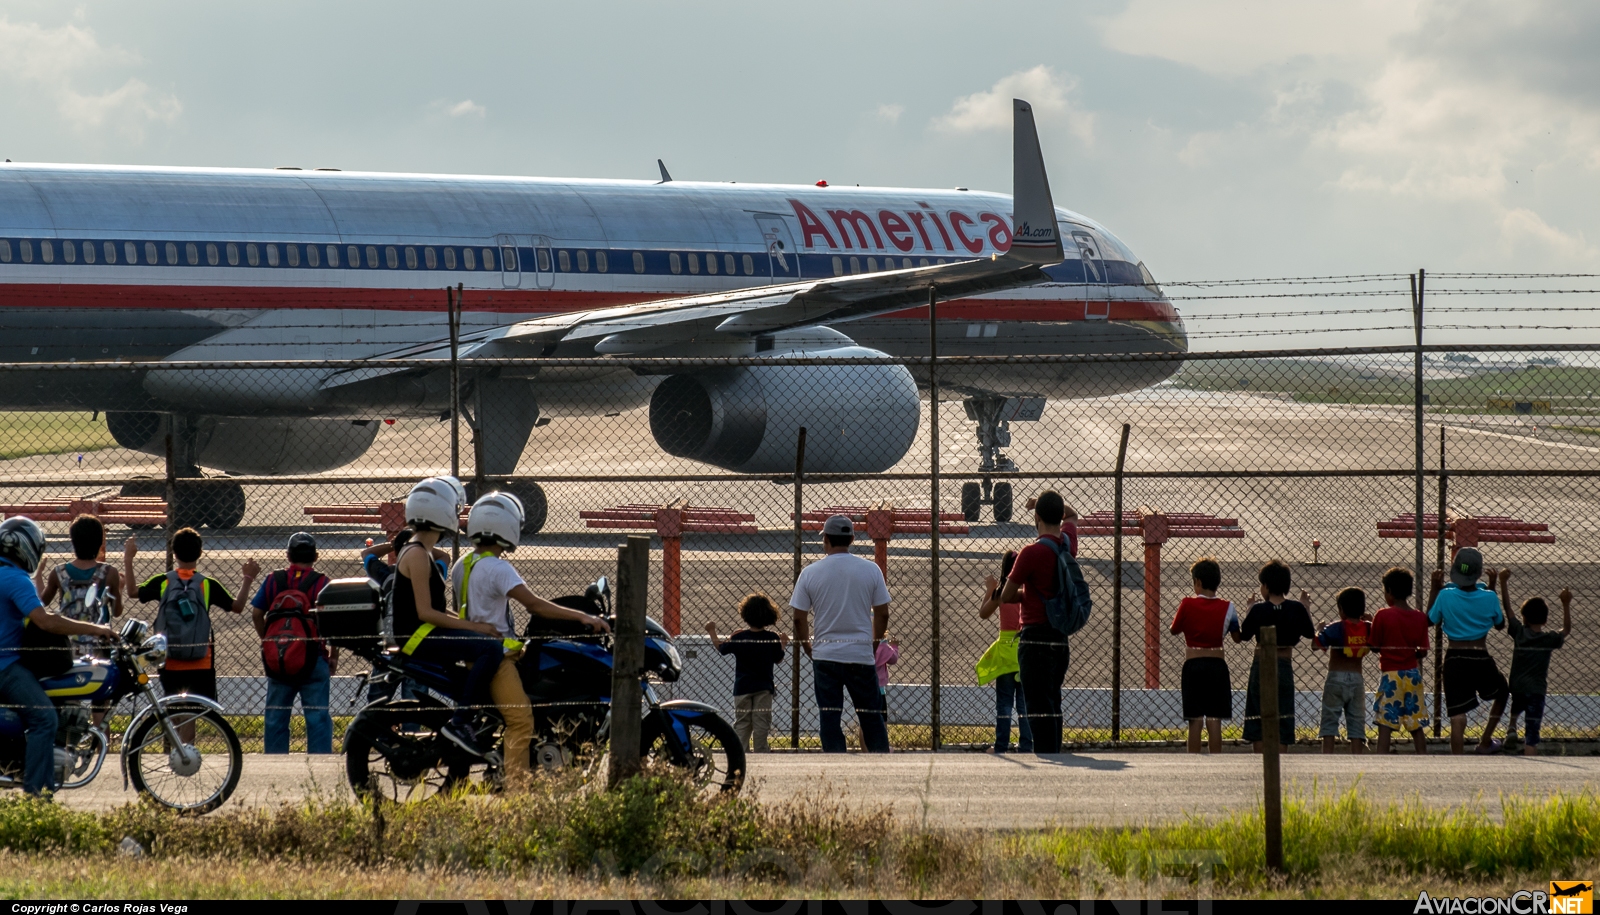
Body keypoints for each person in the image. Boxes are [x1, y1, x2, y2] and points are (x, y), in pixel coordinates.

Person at [453, 492, 608, 787]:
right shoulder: (498, 568)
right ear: (505, 527)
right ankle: (517, 794)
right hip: (498, 659)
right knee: (521, 722)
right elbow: (534, 605)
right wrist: (582, 617)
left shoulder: (464, 564)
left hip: (486, 651)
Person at [0, 517, 116, 796]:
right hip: (5, 666)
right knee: (45, 719)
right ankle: (38, 794)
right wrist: (97, 629)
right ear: (24, 547)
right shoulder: (15, 578)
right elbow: (47, 621)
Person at [394, 476, 506, 758]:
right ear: (442, 513)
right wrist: (475, 627)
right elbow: (426, 613)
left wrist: (476, 626)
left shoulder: (421, 551)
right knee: (489, 648)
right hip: (417, 637)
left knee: (483, 649)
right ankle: (460, 722)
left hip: (422, 633)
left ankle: (475, 721)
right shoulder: (418, 555)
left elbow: (437, 610)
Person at [789, 514, 891, 753]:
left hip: (826, 655)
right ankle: (881, 763)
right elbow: (883, 614)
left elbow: (798, 617)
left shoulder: (810, 573)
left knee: (830, 716)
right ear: (852, 539)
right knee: (871, 716)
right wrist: (873, 644)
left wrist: (807, 646)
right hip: (860, 653)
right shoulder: (871, 570)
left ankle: (835, 761)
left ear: (826, 540)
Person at [124, 527, 257, 706]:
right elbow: (238, 606)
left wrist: (128, 558)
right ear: (200, 553)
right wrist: (248, 578)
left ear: (174, 553)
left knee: (172, 710)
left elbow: (132, 591)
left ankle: (171, 734)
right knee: (191, 713)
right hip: (200, 660)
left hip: (170, 660)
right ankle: (188, 735)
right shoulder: (207, 584)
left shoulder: (163, 582)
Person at [999, 490, 1080, 754]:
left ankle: (1047, 760)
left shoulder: (1030, 553)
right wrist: (1046, 506)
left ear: (1036, 517)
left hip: (1034, 639)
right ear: (1059, 517)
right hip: (1059, 637)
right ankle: (1055, 752)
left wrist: (1029, 593)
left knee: (1037, 707)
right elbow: (1073, 515)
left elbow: (1008, 595)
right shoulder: (1068, 542)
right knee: (1053, 701)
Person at [250, 532, 335, 755]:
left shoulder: (273, 580)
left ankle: (276, 765)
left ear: (288, 556)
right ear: (316, 556)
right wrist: (333, 655)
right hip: (313, 656)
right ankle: (319, 765)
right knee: (317, 717)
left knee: (276, 717)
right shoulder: (323, 584)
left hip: (279, 657)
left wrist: (267, 640)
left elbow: (257, 613)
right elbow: (333, 624)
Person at [35, 514, 122, 726]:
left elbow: (42, 602)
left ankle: (67, 742)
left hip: (67, 646)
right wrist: (118, 589)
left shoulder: (59, 573)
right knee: (100, 699)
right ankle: (101, 741)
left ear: (73, 541)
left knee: (69, 694)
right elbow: (117, 611)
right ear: (100, 542)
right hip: (98, 644)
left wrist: (38, 575)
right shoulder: (108, 573)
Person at [1426, 547, 1509, 755]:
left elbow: (1429, 619)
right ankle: (1485, 740)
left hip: (1454, 656)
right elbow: (1499, 623)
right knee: (1502, 691)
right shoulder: (1489, 597)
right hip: (1480, 654)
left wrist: (1435, 588)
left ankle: (1458, 759)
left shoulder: (1445, 595)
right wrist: (1491, 588)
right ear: (1478, 572)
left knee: (1457, 714)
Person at [1235, 560, 1314, 753]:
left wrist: (1249, 610)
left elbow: (1244, 636)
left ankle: (1261, 759)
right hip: (1284, 664)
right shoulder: (1296, 609)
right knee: (1284, 712)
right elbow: (1310, 633)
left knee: (1258, 713)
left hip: (1261, 664)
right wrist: (1306, 607)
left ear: (1266, 586)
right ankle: (1280, 757)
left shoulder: (1259, 610)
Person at [1495, 569, 1571, 757]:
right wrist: (1566, 604)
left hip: (1517, 685)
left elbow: (1508, 610)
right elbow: (1566, 630)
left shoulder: (1519, 633)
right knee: (1532, 729)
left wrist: (1503, 582)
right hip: (1536, 689)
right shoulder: (1548, 639)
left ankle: (1512, 725)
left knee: (1517, 702)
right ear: (1545, 620)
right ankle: (1530, 752)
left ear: (1524, 617)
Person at [1168, 557, 1238, 754]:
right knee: (1215, 720)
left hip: (1193, 664)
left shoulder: (1187, 604)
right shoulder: (1228, 607)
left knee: (1195, 720)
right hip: (1217, 664)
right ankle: (1217, 759)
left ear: (1197, 582)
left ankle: (1193, 762)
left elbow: (1174, 629)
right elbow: (1236, 636)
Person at [705, 593, 787, 754]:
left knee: (742, 722)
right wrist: (783, 645)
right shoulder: (772, 638)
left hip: (742, 687)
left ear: (745, 614)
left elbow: (721, 648)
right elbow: (778, 659)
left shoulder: (739, 636)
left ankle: (739, 754)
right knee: (761, 722)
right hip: (764, 687)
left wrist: (712, 631)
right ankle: (761, 752)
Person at [1369, 567, 1430, 754]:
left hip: (1391, 675)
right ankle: (1423, 757)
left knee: (1385, 723)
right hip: (1412, 674)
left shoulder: (1383, 615)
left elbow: (1374, 646)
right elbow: (1423, 651)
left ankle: (1382, 759)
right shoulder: (1420, 617)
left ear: (1388, 591)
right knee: (1415, 723)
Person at [976, 550, 1031, 753]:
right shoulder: (1027, 591)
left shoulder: (1002, 593)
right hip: (1025, 649)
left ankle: (1001, 746)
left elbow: (983, 613)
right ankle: (1027, 745)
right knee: (1025, 706)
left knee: (1004, 704)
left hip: (1005, 651)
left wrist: (990, 589)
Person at [1312, 587, 1372, 755]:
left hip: (1335, 677)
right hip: (1357, 678)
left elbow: (1316, 645)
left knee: (1330, 721)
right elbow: (1377, 643)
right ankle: (1356, 757)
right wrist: (1371, 621)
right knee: (1356, 722)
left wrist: (1320, 629)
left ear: (1341, 610)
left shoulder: (1336, 628)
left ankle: (1328, 757)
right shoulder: (1368, 628)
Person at [874, 632, 899, 716]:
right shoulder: (882, 646)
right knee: (882, 715)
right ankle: (882, 728)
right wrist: (894, 646)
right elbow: (893, 659)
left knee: (865, 717)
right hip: (879, 687)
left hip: (863, 685)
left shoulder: (862, 645)